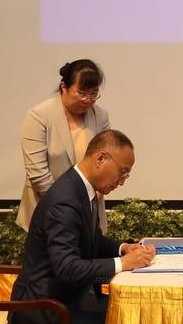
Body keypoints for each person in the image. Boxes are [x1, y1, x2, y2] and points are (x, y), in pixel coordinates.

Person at [9, 128, 155, 324]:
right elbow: (66, 268)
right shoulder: (65, 201)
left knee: (125, 314)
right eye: (123, 171)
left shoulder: (81, 189)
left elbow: (91, 240)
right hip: (41, 309)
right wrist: (123, 265)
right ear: (101, 159)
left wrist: (122, 248)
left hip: (63, 298)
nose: (123, 180)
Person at [18, 59, 112, 231]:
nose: (88, 100)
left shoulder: (100, 116)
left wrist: (91, 199)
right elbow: (38, 174)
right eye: (82, 93)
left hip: (89, 212)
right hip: (47, 209)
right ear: (64, 87)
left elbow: (107, 163)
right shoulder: (39, 116)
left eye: (94, 94)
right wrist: (69, 208)